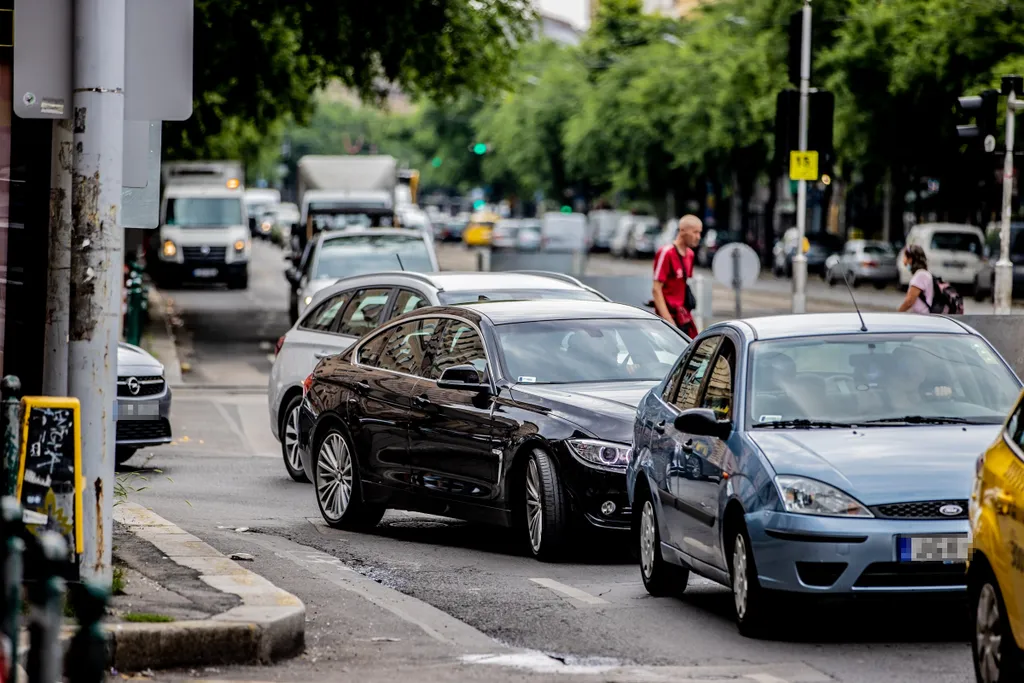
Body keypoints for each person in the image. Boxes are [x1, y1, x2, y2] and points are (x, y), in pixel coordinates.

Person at [652, 215, 702, 338]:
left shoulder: (690, 255)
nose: (698, 237)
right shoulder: (666, 253)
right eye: (695, 232)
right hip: (669, 317)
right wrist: (669, 321)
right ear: (682, 231)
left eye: (699, 233)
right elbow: (656, 289)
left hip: (683, 316)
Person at [897, 245, 934, 314]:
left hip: (922, 317)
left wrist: (897, 314)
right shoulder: (923, 273)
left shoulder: (920, 275)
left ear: (910, 259)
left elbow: (909, 301)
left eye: (904, 256)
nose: (903, 260)